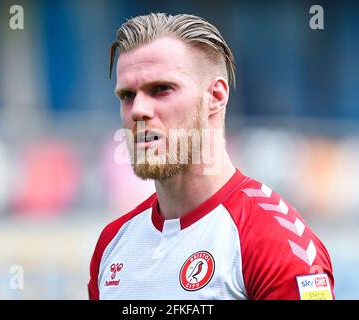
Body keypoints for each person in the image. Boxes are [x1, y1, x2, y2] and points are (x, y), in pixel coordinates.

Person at [88, 12, 335, 300]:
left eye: (161, 89)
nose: (139, 110)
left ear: (215, 97)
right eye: (127, 96)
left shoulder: (276, 243)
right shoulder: (112, 244)